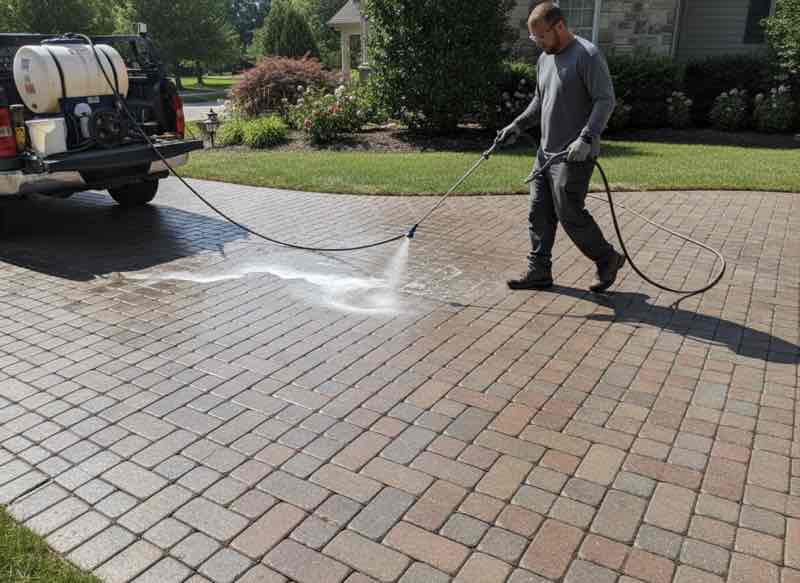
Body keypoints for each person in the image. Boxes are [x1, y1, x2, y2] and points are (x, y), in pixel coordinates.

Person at [498, 1, 625, 293]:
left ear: (559, 26)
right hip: (546, 153)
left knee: (568, 211)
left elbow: (605, 100)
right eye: (534, 37)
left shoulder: (587, 56)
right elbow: (540, 102)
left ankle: (607, 258)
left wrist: (587, 138)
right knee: (538, 211)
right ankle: (539, 271)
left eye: (541, 35)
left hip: (575, 154)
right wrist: (516, 125)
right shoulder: (545, 58)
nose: (538, 42)